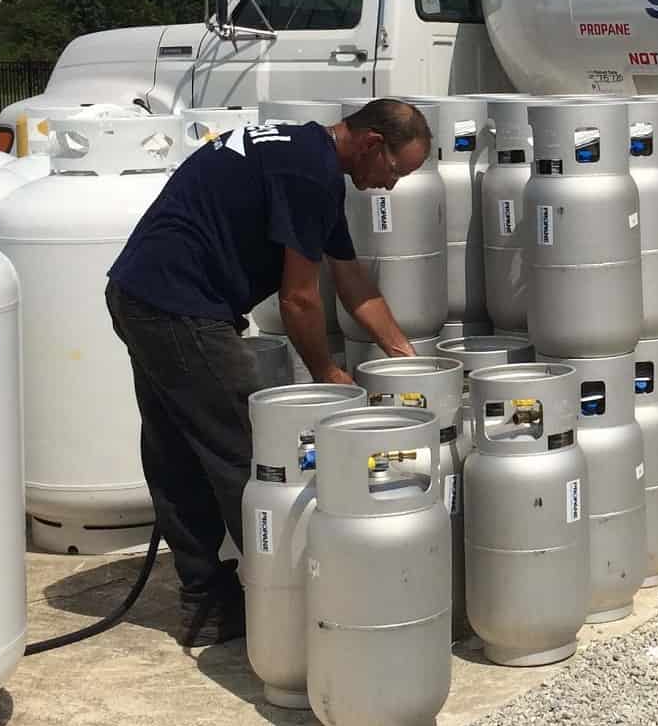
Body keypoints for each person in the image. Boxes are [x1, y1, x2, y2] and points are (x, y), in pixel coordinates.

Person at [105, 98, 432, 645]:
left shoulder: (310, 159)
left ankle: (207, 601)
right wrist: (328, 373)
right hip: (178, 306)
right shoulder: (308, 173)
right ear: (373, 144)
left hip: (144, 294)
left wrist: (407, 359)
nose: (391, 186)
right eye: (396, 171)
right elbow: (299, 299)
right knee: (257, 453)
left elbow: (351, 283)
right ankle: (287, 605)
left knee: (177, 449)